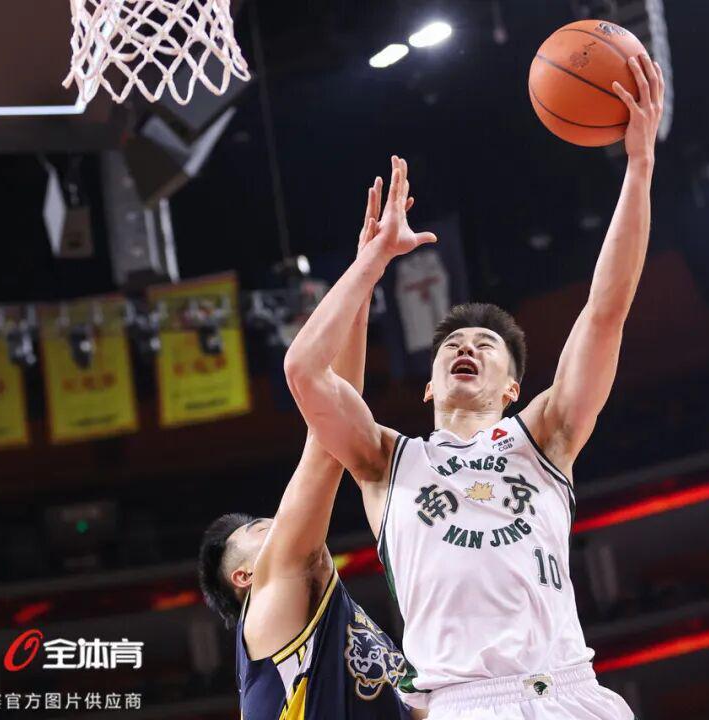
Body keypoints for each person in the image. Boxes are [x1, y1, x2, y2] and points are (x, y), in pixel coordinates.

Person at [284, 51, 664, 719]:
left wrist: (639, 168)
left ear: (513, 387)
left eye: (486, 346)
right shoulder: (385, 461)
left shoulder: (547, 436)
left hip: (571, 691)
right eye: (452, 346)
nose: (466, 347)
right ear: (428, 388)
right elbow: (304, 372)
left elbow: (606, 310)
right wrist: (371, 263)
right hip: (465, 703)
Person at [198, 184, 424, 719]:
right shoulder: (271, 598)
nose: (281, 523)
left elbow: (337, 412)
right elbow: (325, 437)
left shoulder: (332, 621)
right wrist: (369, 266)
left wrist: (366, 286)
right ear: (245, 577)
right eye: (263, 529)